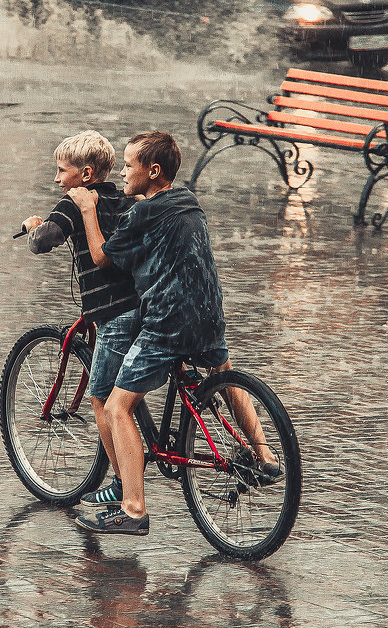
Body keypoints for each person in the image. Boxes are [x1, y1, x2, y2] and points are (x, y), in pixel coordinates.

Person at [66, 131, 281, 537]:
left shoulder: (140, 215)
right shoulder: (186, 201)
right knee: (223, 378)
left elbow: (101, 257)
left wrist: (89, 208)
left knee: (116, 407)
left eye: (130, 166)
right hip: (208, 313)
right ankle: (266, 455)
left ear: (153, 171)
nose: (125, 172)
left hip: (169, 320)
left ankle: (132, 507)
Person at [21, 131, 141, 510]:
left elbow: (43, 242)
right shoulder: (126, 198)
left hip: (112, 312)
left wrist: (31, 227)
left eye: (62, 171)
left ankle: (124, 484)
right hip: (143, 305)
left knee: (101, 397)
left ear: (86, 174)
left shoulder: (75, 203)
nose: (57, 180)